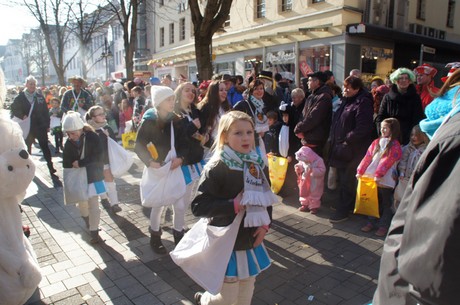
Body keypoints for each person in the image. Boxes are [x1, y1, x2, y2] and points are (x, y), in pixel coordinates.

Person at [372, 68, 460, 305]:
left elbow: (427, 254)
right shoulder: (390, 97)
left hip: (406, 144)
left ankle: (381, 220)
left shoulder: (447, 138)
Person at [192, 110, 275, 305]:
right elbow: (198, 206)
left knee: (245, 295)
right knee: (226, 299)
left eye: (249, 132)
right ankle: (205, 299)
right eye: (238, 133)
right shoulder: (217, 166)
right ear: (225, 137)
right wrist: (234, 205)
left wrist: (264, 226)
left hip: (250, 239)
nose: (246, 137)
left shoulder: (258, 163)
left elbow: (266, 198)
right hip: (225, 240)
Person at [134, 86, 185, 254]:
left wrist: (182, 158)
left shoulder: (176, 120)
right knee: (158, 204)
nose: (173, 102)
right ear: (159, 102)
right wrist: (149, 162)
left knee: (179, 203)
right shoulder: (149, 120)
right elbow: (138, 144)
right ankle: (155, 236)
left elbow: (184, 142)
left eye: (173, 99)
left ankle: (179, 235)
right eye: (169, 99)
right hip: (157, 167)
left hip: (174, 165)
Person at [328, 76, 374, 223]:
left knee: (347, 178)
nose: (345, 89)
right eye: (344, 86)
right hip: (342, 146)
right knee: (342, 177)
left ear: (357, 88)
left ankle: (344, 210)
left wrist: (347, 139)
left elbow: (363, 127)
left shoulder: (363, 102)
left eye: (349, 87)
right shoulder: (346, 100)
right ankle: (344, 205)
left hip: (353, 149)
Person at [62, 111, 105, 244]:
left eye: (72, 133)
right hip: (80, 178)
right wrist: (73, 163)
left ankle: (94, 231)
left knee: (94, 204)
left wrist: (80, 163)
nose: (70, 136)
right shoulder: (69, 143)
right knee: (82, 203)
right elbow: (66, 163)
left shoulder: (92, 137)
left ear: (80, 129)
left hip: (94, 176)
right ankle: (88, 221)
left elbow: (99, 157)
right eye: (68, 134)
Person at [357, 118, 402, 237]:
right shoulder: (376, 142)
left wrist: (379, 174)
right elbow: (367, 157)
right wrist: (360, 170)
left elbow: (388, 160)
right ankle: (371, 221)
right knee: (372, 200)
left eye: (385, 127)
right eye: (381, 127)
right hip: (373, 177)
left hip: (385, 178)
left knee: (386, 203)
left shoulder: (395, 145)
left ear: (392, 129)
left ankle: (384, 225)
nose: (382, 129)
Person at [10, 75, 58, 178]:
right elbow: (13, 108)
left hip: (40, 127)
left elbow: (46, 111)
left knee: (45, 147)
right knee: (27, 148)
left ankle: (51, 167)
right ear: (26, 84)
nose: (32, 86)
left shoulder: (39, 97)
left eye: (34, 84)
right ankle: (28, 169)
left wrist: (47, 125)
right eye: (30, 84)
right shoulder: (20, 97)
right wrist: (22, 115)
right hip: (28, 128)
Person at [85, 105, 122, 214]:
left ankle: (115, 203)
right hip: (94, 163)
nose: (103, 116)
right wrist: (99, 136)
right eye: (100, 114)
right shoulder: (88, 130)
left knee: (110, 181)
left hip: (106, 160)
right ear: (93, 118)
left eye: (103, 113)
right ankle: (104, 198)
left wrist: (107, 136)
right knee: (99, 182)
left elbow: (114, 144)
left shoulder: (107, 128)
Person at [375, 68, 425, 145]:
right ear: (396, 80)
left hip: (408, 139)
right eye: (401, 78)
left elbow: (417, 119)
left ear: (410, 81)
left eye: (406, 78)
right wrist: (382, 132)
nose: (404, 80)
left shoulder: (415, 97)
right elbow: (380, 117)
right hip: (389, 136)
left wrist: (412, 136)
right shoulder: (388, 97)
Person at [293, 71, 333, 158]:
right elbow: (303, 116)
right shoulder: (311, 96)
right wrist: (299, 129)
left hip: (316, 139)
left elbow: (314, 117)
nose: (307, 82)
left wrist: (300, 128)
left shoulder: (324, 97)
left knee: (314, 168)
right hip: (307, 137)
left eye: (310, 80)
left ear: (317, 82)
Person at [393, 124, 429, 211]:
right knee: (400, 196)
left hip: (417, 179)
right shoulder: (407, 148)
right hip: (405, 178)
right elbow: (403, 161)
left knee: (413, 199)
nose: (413, 137)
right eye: (412, 135)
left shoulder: (426, 149)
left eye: (416, 135)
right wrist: (401, 172)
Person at [197, 80, 231, 153]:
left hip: (224, 147)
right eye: (221, 90)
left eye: (226, 90)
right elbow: (202, 132)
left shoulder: (225, 107)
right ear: (214, 92)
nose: (225, 92)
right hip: (209, 150)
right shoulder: (206, 108)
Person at [295, 141, 326, 214]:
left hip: (315, 181)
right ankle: (304, 204)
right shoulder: (304, 160)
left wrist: (313, 171)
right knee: (304, 191)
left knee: (315, 193)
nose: (304, 162)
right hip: (305, 179)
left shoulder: (319, 160)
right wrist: (298, 167)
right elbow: (301, 164)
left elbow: (322, 170)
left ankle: (314, 206)